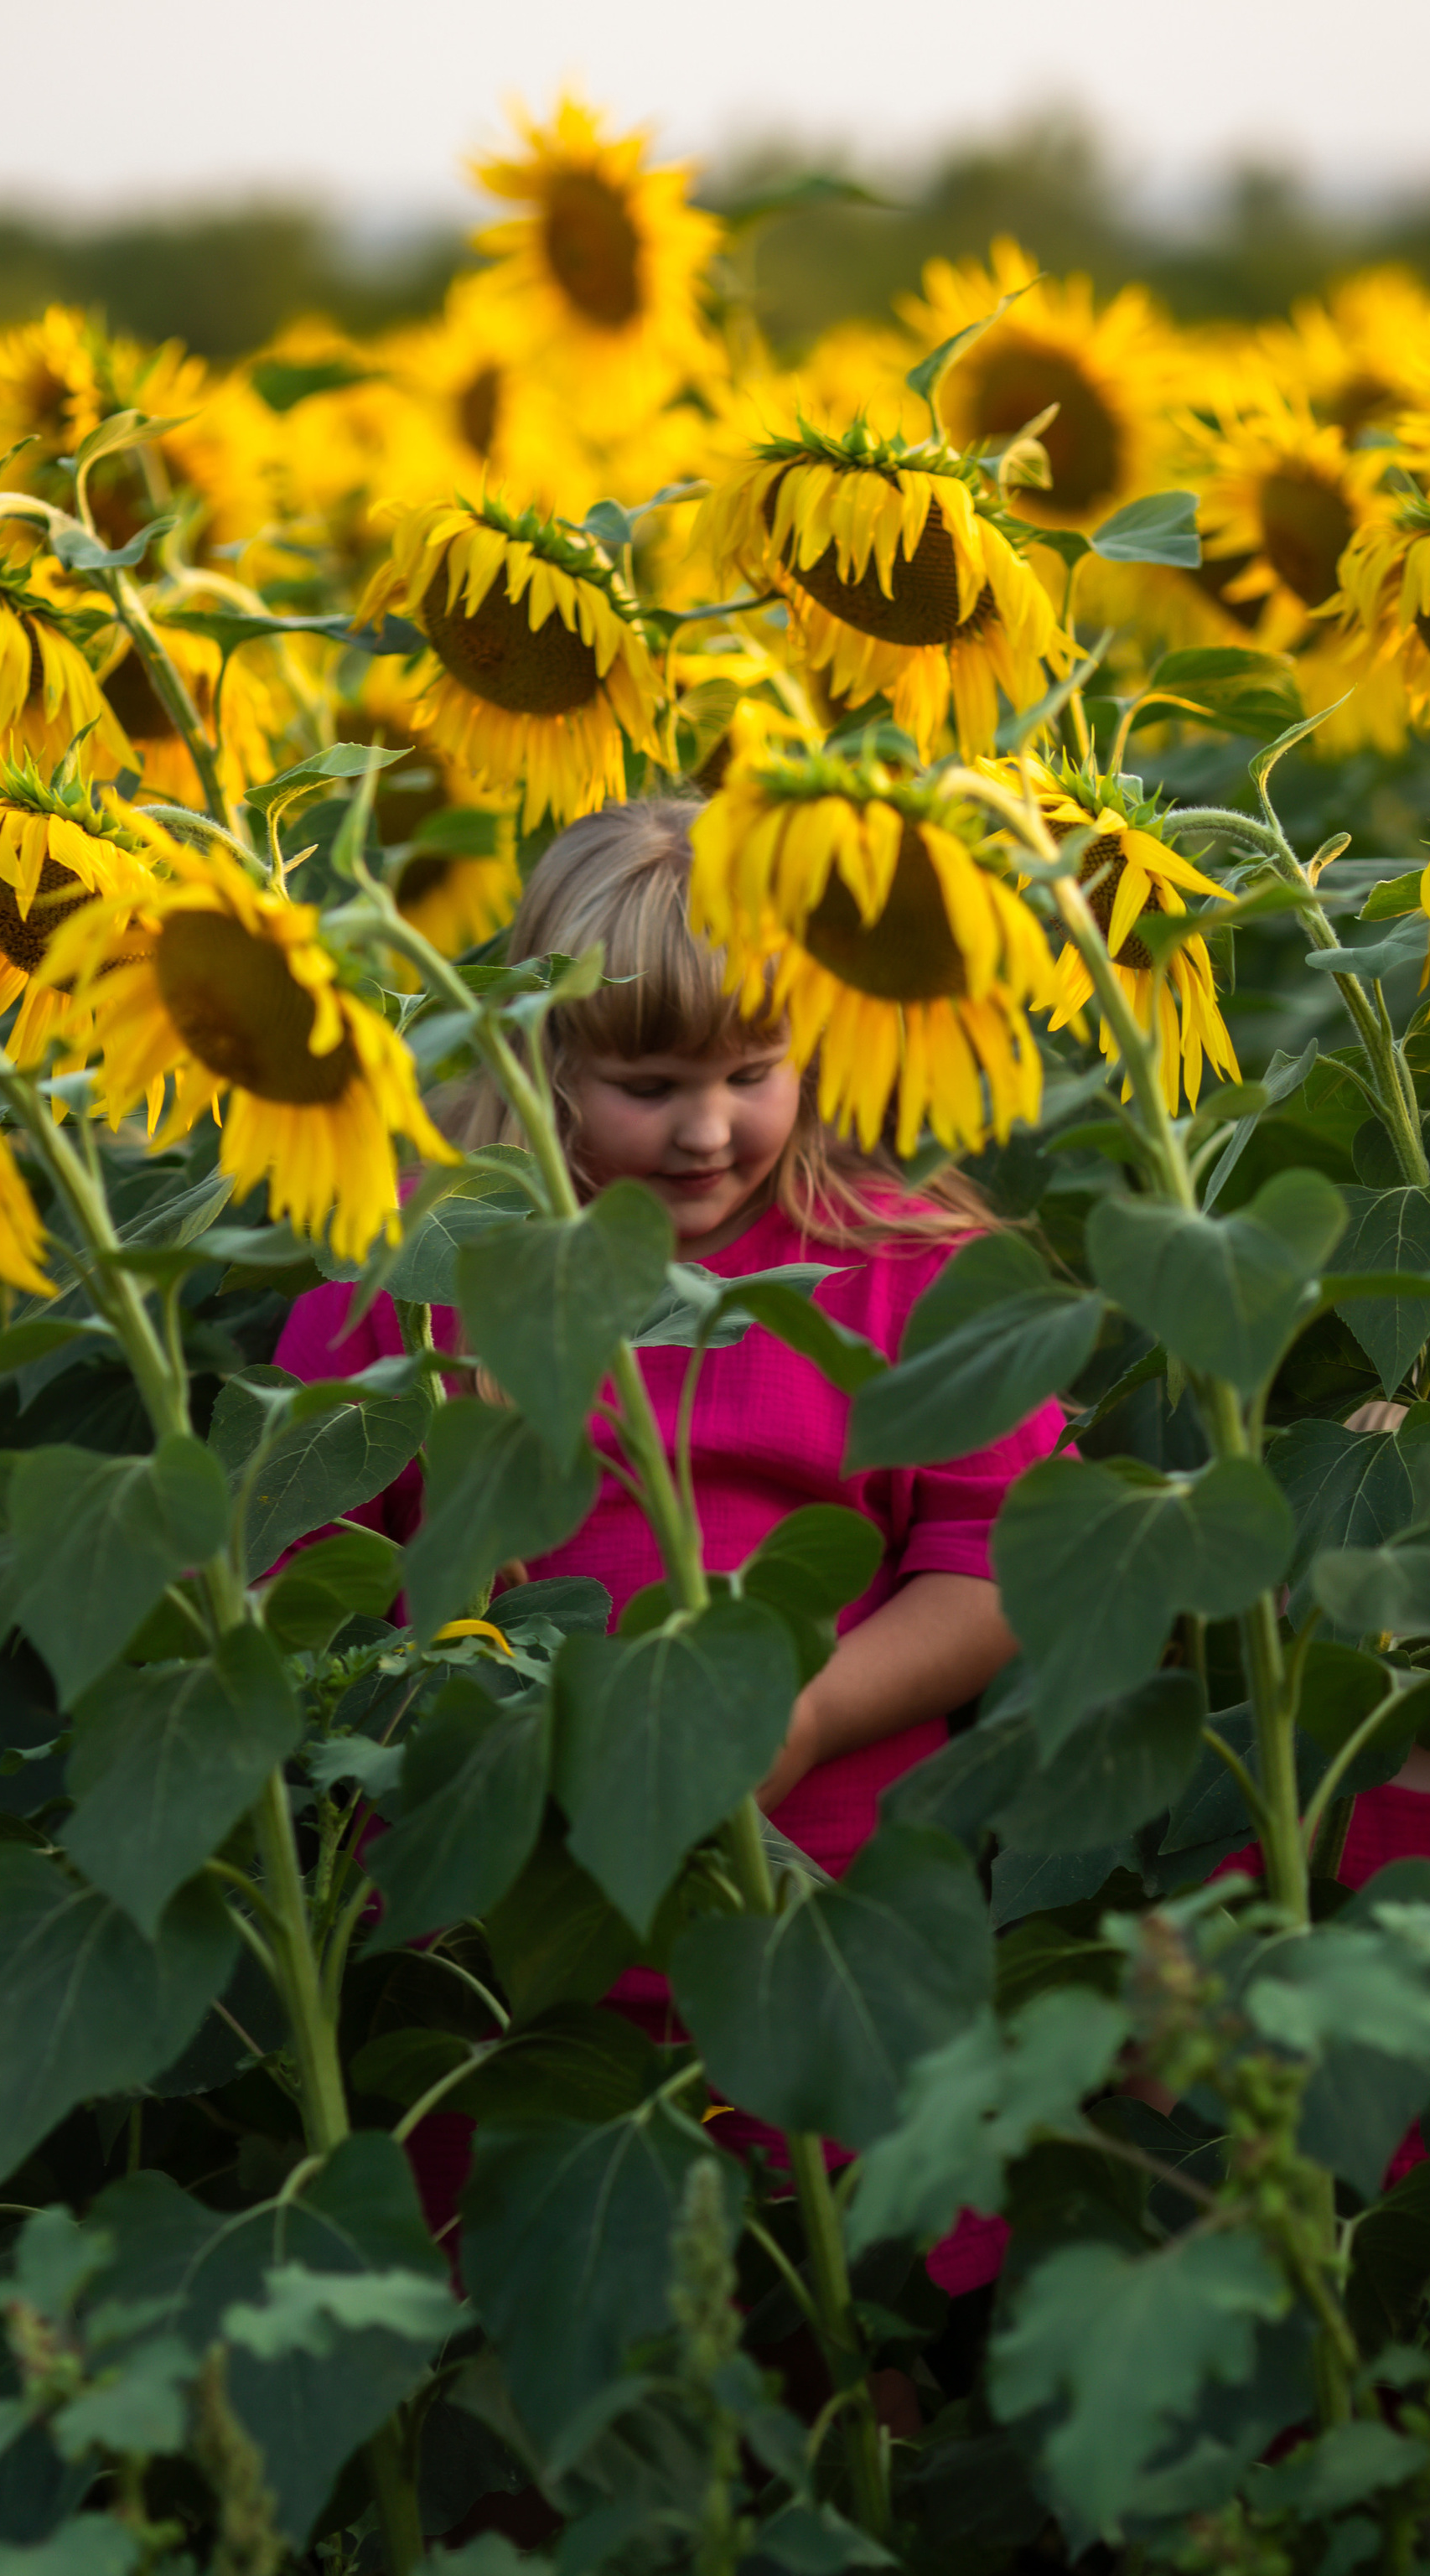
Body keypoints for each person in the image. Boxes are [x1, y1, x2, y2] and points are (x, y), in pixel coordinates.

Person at [277, 796, 1065, 2283]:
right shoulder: (432, 1264)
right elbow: (301, 1557)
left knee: (841, 2285)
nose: (709, 1129)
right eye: (648, 1084)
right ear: (540, 1057)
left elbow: (1000, 1558)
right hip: (508, 1938)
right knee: (524, 2304)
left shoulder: (903, 1267)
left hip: (819, 1901)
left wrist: (811, 1710)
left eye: (752, 1073)